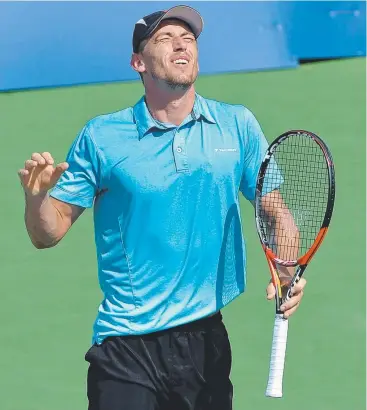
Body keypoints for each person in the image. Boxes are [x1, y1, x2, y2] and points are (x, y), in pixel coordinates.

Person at [18, 5, 306, 410]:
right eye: (165, 39)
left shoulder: (237, 126)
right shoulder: (103, 137)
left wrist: (287, 267)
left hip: (206, 342)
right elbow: (48, 232)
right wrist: (37, 199)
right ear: (139, 61)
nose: (181, 45)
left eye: (188, 39)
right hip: (126, 347)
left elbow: (278, 216)